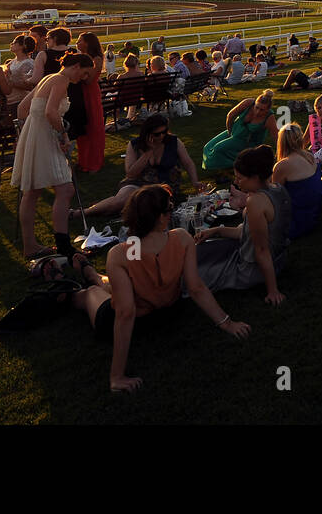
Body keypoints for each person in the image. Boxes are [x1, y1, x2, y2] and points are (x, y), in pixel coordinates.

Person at [68, 183, 249, 393]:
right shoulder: (181, 238)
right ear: (161, 217)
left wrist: (118, 376)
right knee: (90, 293)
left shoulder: (122, 252)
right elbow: (196, 287)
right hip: (166, 313)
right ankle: (80, 286)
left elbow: (126, 312)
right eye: (170, 209)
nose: (171, 212)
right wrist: (227, 324)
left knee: (102, 289)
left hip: (138, 316)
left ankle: (90, 274)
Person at [14, 52, 96, 259]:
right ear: (77, 66)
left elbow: (22, 109)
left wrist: (30, 130)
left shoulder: (47, 78)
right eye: (85, 73)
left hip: (35, 134)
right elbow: (51, 112)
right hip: (45, 137)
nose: (84, 78)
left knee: (32, 192)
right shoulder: (61, 80)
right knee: (65, 189)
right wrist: (63, 135)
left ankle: (30, 245)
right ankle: (63, 244)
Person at [195, 145, 291, 302]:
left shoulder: (256, 202)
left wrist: (272, 290)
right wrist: (214, 231)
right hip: (277, 260)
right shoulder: (278, 189)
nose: (236, 181)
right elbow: (246, 233)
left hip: (251, 270)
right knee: (202, 251)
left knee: (193, 277)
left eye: (239, 178)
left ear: (254, 178)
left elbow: (261, 249)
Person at [85, 114, 201, 217]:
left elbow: (188, 163)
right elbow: (130, 174)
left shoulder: (174, 142)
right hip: (138, 183)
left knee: (138, 206)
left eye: (164, 132)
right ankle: (83, 212)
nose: (161, 136)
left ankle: (104, 208)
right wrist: (147, 153)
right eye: (157, 134)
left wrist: (195, 182)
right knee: (120, 202)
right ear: (148, 133)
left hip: (165, 186)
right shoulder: (135, 145)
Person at [202, 90, 277, 172]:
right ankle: (232, 164)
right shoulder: (248, 103)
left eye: (262, 110)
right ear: (255, 103)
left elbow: (276, 137)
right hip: (234, 132)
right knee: (208, 147)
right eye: (257, 107)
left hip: (247, 141)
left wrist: (279, 154)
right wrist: (230, 131)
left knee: (218, 148)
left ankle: (234, 165)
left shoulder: (269, 117)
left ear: (268, 109)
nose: (258, 111)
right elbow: (230, 116)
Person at [271, 124, 322, 239]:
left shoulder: (283, 165)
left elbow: (274, 197)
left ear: (281, 142)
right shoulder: (310, 157)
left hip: (294, 223)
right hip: (313, 216)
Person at [76, 32, 106, 173]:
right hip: (80, 94)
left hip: (90, 94)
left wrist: (78, 73)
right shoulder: (79, 57)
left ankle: (94, 162)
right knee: (83, 129)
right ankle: (83, 161)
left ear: (88, 43)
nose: (77, 42)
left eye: (80, 40)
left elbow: (89, 80)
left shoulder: (96, 59)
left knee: (94, 128)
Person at [4, 34, 36, 121]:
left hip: (21, 100)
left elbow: (31, 86)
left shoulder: (28, 63)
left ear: (23, 46)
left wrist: (12, 82)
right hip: (10, 99)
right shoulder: (12, 62)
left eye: (14, 42)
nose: (11, 44)